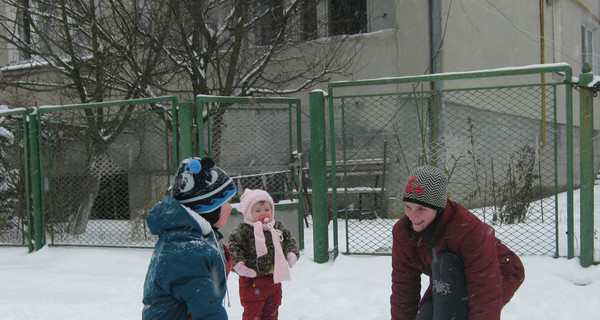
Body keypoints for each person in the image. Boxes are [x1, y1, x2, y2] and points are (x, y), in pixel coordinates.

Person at [391, 165, 525, 320]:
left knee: (445, 262)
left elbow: (484, 294)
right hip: (448, 275)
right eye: (408, 207)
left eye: (421, 209)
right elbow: (404, 288)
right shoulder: (403, 232)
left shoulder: (468, 230)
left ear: (438, 208)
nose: (412, 216)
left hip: (498, 271)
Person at [142, 157, 236, 320]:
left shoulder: (193, 238)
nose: (231, 207)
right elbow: (207, 311)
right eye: (227, 202)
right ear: (209, 207)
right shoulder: (186, 251)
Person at [228, 188, 300, 320]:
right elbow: (234, 248)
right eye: (258, 211)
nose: (263, 213)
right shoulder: (243, 230)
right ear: (249, 213)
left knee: (272, 308)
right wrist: (239, 265)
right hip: (252, 280)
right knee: (253, 310)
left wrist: (291, 253)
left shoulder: (276, 227)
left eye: (267, 209)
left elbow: (288, 240)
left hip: (273, 278)